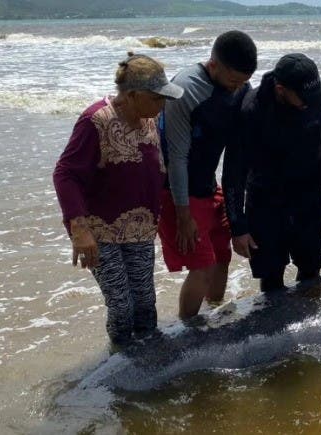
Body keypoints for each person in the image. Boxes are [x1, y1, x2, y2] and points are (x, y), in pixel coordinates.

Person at [53, 53, 184, 345]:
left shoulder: (148, 118)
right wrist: (79, 229)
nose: (163, 105)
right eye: (157, 98)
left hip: (140, 230)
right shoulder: (95, 121)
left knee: (146, 305)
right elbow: (65, 174)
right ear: (134, 95)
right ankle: (121, 372)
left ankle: (150, 364)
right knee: (122, 307)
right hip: (101, 233)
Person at [158, 30, 257, 319]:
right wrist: (183, 215)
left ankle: (215, 313)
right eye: (233, 81)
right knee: (201, 266)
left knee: (221, 257)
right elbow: (176, 159)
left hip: (208, 185)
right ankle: (188, 332)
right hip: (178, 191)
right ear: (213, 65)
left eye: (243, 82)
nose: (238, 88)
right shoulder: (184, 91)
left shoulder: (237, 85)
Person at [223, 53, 321, 291]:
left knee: (311, 270)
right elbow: (234, 172)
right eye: (302, 98)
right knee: (271, 277)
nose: (309, 103)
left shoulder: (313, 98)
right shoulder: (251, 110)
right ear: (281, 89)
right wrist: (238, 227)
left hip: (309, 197)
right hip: (266, 202)